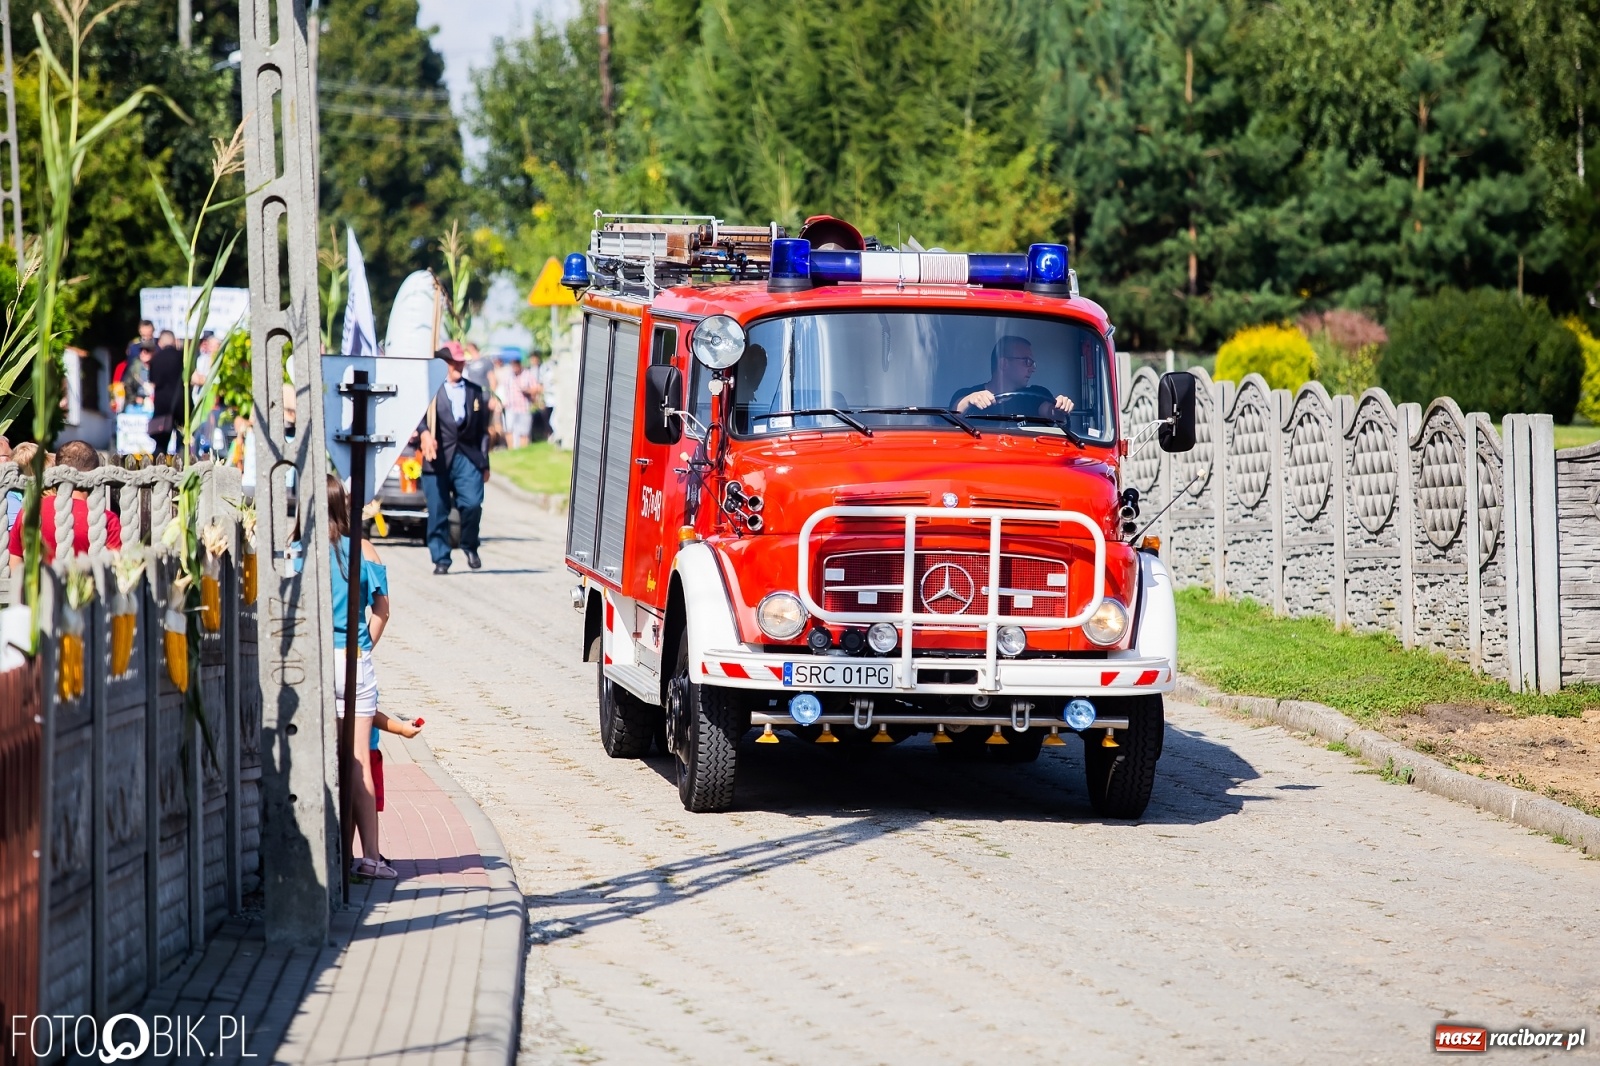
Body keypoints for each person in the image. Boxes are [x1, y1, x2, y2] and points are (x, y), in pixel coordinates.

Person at [324, 475, 415, 880]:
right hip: (354, 663)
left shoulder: (301, 551)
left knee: (328, 759)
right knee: (359, 758)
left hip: (318, 663)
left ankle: (333, 853)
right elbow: (383, 611)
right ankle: (371, 858)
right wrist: (363, 648)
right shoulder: (364, 550)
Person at [416, 341, 490, 574]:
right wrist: (425, 433)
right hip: (437, 457)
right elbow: (416, 417)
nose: (458, 366)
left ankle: (469, 545)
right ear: (443, 363)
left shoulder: (474, 391)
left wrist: (485, 463)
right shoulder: (430, 391)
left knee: (472, 504)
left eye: (460, 361)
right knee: (438, 510)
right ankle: (441, 557)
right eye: (453, 362)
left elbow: (482, 432)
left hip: (467, 457)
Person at [8, 441, 122, 568]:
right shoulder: (107, 519)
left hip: (40, 586)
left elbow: (15, 562)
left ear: (57, 470)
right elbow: (117, 569)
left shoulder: (29, 512)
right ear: (94, 474)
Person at [949, 336, 1075, 419]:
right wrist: (969, 400)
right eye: (1027, 361)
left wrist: (1061, 406)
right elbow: (952, 417)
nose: (1033, 368)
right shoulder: (967, 396)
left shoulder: (1036, 395)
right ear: (1004, 363)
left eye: (1033, 363)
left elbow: (1051, 412)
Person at [147, 334, 185, 456]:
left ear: (160, 343)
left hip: (162, 406)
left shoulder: (156, 358)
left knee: (161, 445)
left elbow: (153, 381)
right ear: (175, 341)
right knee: (183, 441)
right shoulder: (182, 356)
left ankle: (158, 469)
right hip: (181, 403)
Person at [496, 352, 539, 450]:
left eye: (516, 364)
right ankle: (511, 449)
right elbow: (503, 390)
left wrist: (527, 390)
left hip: (524, 407)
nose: (514, 366)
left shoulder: (528, 375)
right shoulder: (508, 376)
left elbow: (536, 388)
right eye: (513, 364)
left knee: (524, 431)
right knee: (509, 429)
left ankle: (523, 450)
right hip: (510, 407)